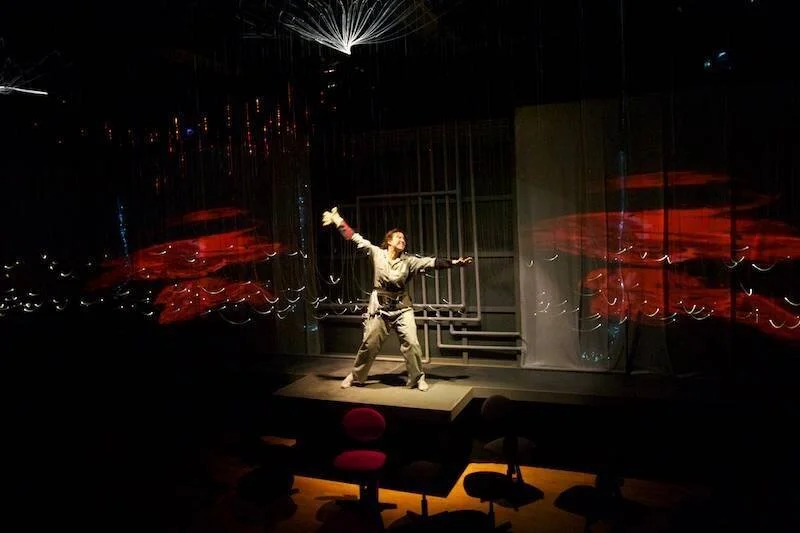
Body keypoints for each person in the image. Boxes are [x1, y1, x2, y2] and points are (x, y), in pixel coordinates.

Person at [322, 206, 473, 391]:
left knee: (412, 343)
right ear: (389, 241)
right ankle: (355, 375)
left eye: (404, 239)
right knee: (369, 344)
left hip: (402, 308)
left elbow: (431, 262)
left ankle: (417, 378)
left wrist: (455, 263)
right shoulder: (376, 253)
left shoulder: (409, 261)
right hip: (380, 308)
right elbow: (355, 238)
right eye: (398, 238)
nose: (402, 240)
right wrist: (338, 220)